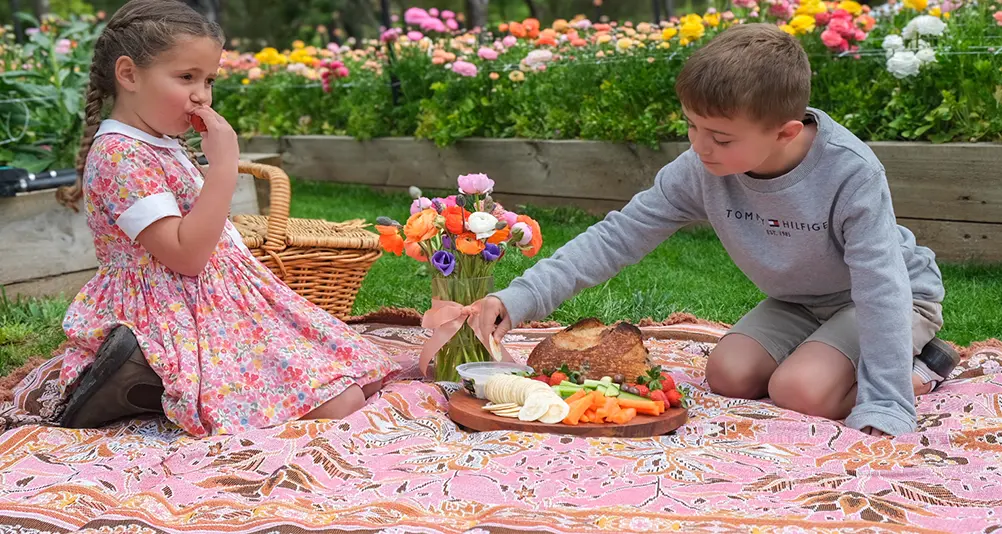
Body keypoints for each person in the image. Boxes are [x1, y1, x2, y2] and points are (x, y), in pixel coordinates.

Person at [474, 23, 959, 437]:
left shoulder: (851, 174)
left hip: (892, 298)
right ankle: (830, 355)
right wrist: (517, 299)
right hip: (799, 303)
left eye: (721, 138)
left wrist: (888, 401)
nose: (700, 148)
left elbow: (880, 285)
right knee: (729, 374)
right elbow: (616, 236)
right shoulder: (700, 168)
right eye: (692, 126)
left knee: (797, 390)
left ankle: (922, 368)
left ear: (785, 133)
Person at [52, 0, 400, 437]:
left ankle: (143, 381)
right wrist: (224, 166)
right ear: (129, 75)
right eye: (186, 77)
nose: (202, 94)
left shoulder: (158, 142)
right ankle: (139, 371)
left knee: (357, 374)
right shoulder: (120, 154)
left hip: (214, 298)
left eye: (209, 79)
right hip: (171, 307)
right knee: (341, 400)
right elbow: (186, 256)